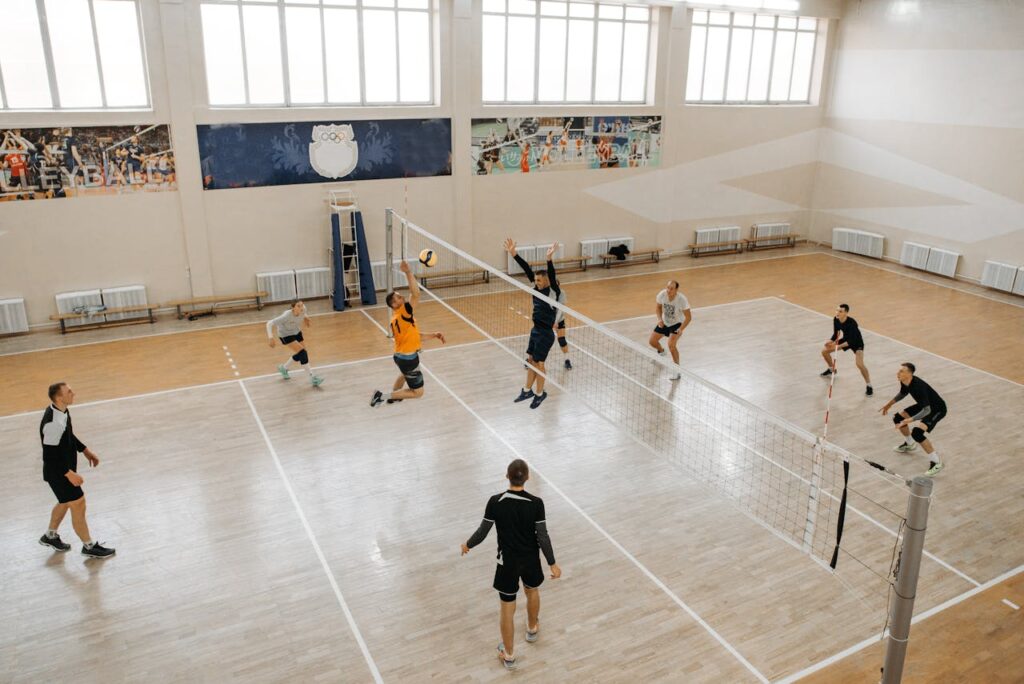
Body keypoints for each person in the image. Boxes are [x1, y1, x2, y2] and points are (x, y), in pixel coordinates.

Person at [461, 459, 561, 670]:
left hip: (507, 563)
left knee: (507, 607)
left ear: (507, 476)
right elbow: (543, 537)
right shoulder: (536, 503)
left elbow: (482, 532)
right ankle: (532, 629)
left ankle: (509, 655)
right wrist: (552, 563)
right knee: (532, 590)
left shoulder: (495, 502)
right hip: (531, 560)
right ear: (527, 477)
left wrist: (467, 545)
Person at [38, 383, 116, 558]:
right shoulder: (53, 423)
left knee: (65, 502)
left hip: (61, 471)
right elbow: (49, 456)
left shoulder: (62, 411)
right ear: (59, 397)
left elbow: (68, 434)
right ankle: (89, 546)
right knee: (78, 503)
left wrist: (85, 450)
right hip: (58, 473)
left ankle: (50, 536)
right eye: (69, 392)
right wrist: (68, 473)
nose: (73, 393)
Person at [370, 260, 445, 406]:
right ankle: (381, 397)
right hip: (408, 358)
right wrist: (408, 272)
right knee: (418, 392)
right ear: (393, 304)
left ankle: (394, 397)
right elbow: (416, 294)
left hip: (400, 356)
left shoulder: (395, 318)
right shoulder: (403, 312)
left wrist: (434, 335)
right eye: (398, 297)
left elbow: (415, 336)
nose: (402, 298)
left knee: (404, 374)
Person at [505, 239, 560, 408]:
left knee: (539, 364)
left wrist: (549, 259)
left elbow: (551, 275)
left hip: (546, 334)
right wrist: (514, 254)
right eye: (535, 280)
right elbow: (527, 269)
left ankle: (539, 393)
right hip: (535, 330)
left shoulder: (552, 291)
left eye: (539, 281)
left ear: (547, 281)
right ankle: (527, 390)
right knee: (530, 361)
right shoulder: (535, 288)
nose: (536, 283)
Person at [879, 362, 946, 477]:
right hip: (924, 405)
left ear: (909, 374)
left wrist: (910, 420)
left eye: (901, 371)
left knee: (917, 433)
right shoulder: (905, 381)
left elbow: (927, 411)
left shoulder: (918, 386)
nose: (898, 373)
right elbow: (903, 393)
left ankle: (936, 462)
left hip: (936, 409)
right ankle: (910, 444)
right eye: (899, 371)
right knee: (898, 418)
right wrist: (889, 404)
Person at [267, 300, 324, 387]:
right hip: (285, 335)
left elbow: (303, 313)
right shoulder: (286, 315)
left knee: (302, 353)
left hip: (296, 331)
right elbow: (269, 323)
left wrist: (306, 318)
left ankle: (284, 368)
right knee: (303, 353)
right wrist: (271, 337)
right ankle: (313, 377)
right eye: (298, 306)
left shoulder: (303, 309)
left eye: (302, 305)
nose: (301, 307)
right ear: (293, 308)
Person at [820, 303, 873, 395]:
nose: (838, 312)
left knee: (859, 364)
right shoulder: (836, 319)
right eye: (837, 310)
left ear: (846, 313)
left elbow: (851, 342)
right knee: (824, 351)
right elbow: (836, 334)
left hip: (856, 343)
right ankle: (831, 369)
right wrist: (831, 341)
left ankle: (869, 386)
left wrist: (837, 346)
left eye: (840, 311)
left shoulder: (852, 323)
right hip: (846, 340)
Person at [648, 280, 691, 381]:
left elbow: (688, 317)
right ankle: (661, 352)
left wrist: (681, 329)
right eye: (667, 287)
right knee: (652, 342)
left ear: (676, 290)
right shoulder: (662, 295)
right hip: (665, 322)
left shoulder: (682, 300)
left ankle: (677, 370)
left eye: (671, 288)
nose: (668, 290)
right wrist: (659, 319)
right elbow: (658, 308)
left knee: (671, 345)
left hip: (677, 324)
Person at [553, 288, 571, 370]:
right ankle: (530, 359)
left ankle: (567, 360)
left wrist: (555, 322)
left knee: (562, 340)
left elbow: (560, 309)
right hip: (546, 319)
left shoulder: (561, 293)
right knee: (540, 339)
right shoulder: (546, 292)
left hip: (559, 319)